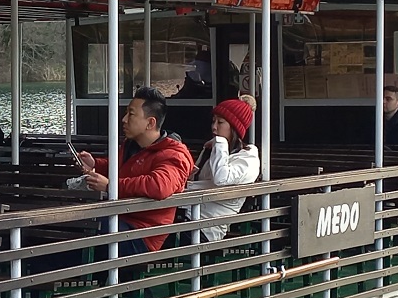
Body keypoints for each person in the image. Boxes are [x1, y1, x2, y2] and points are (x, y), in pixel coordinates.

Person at [73, 87, 195, 254]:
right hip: (119, 219)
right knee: (76, 225)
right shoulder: (131, 146)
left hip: (143, 234)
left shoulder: (174, 155)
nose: (124, 119)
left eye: (131, 114)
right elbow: (124, 169)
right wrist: (96, 164)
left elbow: (159, 185)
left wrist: (111, 186)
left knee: (86, 227)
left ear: (150, 123)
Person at [186, 97, 260, 242]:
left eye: (220, 122)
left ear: (234, 127)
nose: (214, 127)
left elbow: (221, 178)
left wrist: (220, 142)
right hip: (187, 216)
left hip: (206, 229)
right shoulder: (214, 150)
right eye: (213, 121)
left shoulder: (248, 158)